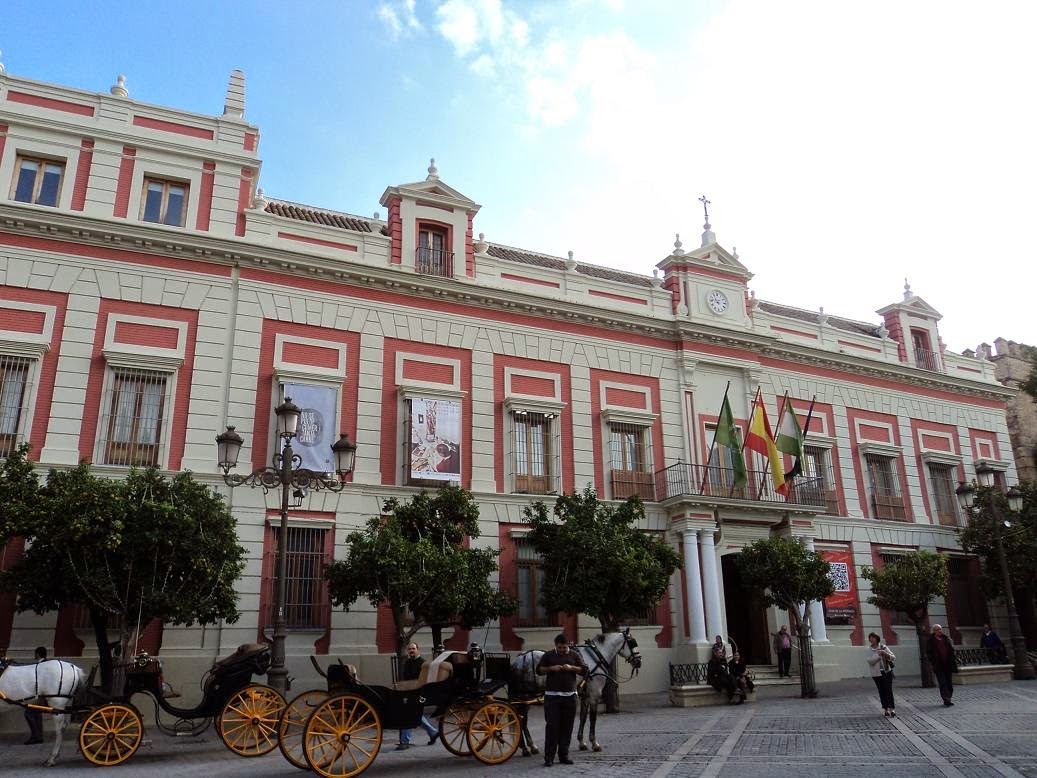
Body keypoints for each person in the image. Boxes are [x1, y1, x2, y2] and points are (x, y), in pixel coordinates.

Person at [536, 633, 586, 767]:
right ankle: (549, 758)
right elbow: (539, 670)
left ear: (568, 645)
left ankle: (564, 755)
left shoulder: (574, 655)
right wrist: (551, 668)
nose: (562, 650)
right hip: (552, 697)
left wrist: (572, 668)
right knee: (552, 727)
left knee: (567, 727)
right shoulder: (548, 655)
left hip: (570, 696)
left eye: (564, 648)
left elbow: (584, 670)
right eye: (560, 648)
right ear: (555, 645)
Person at [395, 643, 439, 750]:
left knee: (409, 715)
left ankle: (405, 741)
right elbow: (406, 679)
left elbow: (424, 681)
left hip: (419, 693)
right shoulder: (407, 662)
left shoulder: (423, 663)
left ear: (418, 650)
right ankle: (433, 732)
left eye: (413, 649)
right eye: (409, 649)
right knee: (416, 715)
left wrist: (420, 693)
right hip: (409, 692)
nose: (411, 651)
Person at [926, 624, 958, 707]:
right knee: (942, 682)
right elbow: (928, 653)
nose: (939, 631)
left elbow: (951, 650)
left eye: (940, 629)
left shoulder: (946, 639)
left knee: (949, 683)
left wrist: (953, 660)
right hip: (938, 665)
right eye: (937, 629)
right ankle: (946, 699)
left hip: (947, 664)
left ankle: (949, 696)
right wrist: (933, 661)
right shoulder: (931, 641)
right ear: (934, 631)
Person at [866, 632, 896, 717]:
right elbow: (870, 661)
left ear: (877, 638)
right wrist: (878, 656)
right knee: (881, 691)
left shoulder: (883, 647)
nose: (871, 639)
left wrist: (885, 653)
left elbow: (893, 657)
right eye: (870, 638)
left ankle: (892, 709)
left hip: (886, 672)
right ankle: (885, 709)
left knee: (888, 690)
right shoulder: (869, 650)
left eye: (873, 637)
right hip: (876, 674)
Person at [24, 646, 47, 745]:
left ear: (37, 654)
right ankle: (39, 736)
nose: (34, 655)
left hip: (42, 695)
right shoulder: (42, 663)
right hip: (40, 694)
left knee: (28, 714)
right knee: (37, 715)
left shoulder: (43, 664)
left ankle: (35, 736)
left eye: (35, 653)